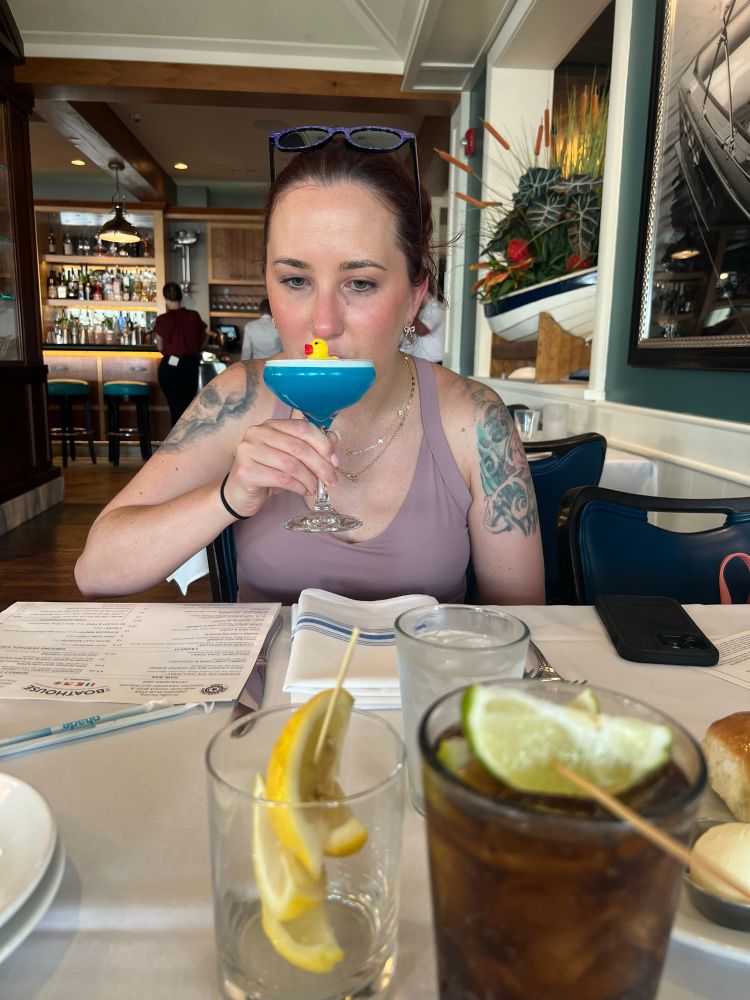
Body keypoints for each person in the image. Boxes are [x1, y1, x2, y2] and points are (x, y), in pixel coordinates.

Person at [75, 129, 544, 607]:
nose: (321, 322)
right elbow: (97, 570)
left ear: (414, 296)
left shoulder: (474, 417)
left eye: (360, 283)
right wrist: (230, 495)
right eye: (295, 279)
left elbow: (526, 623)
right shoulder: (239, 399)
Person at [154, 282, 207, 426]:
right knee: (187, 410)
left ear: (165, 298)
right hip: (190, 366)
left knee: (175, 409)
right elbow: (203, 339)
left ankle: (175, 444)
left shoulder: (163, 320)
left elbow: (160, 346)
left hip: (170, 368)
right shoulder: (194, 316)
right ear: (181, 296)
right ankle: (184, 444)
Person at [402, 293, 446, 363]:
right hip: (418, 361)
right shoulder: (419, 310)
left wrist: (409, 312)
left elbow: (423, 330)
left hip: (435, 363)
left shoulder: (436, 307)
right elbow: (410, 337)